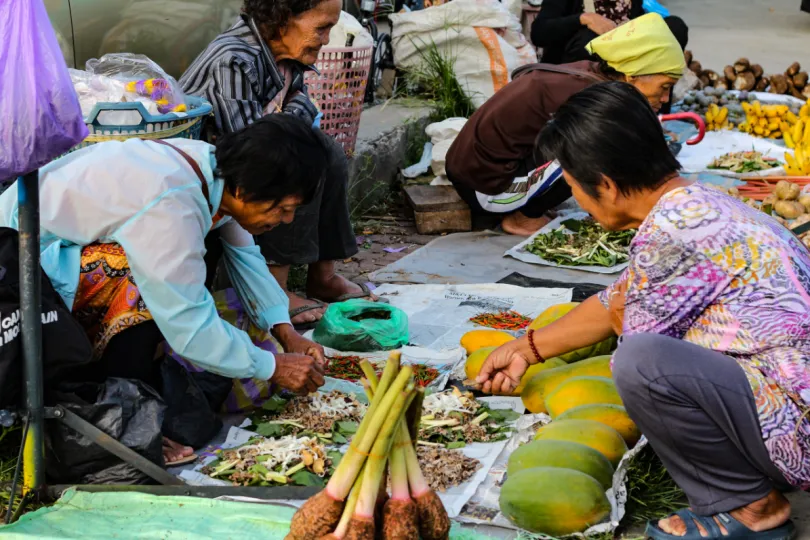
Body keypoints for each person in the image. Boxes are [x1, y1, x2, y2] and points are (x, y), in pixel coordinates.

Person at [477, 81, 808, 539]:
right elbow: (618, 296)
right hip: (793, 399)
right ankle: (750, 475)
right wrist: (527, 349)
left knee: (641, 365)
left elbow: (636, 343)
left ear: (606, 186)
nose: (579, 203)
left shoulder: (672, 233)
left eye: (575, 188)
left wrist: (628, 331)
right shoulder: (700, 204)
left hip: (798, 426)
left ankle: (752, 510)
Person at [0, 115, 330, 465]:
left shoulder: (213, 170)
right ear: (246, 191)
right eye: (282, 208)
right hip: (15, 280)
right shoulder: (170, 201)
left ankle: (142, 382)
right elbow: (188, 325)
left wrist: (285, 330)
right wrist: (272, 366)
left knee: (185, 261)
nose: (287, 219)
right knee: (142, 279)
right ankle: (122, 413)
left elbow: (244, 253)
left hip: (46, 256)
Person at [181, 0, 374, 328]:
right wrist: (288, 126)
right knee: (292, 167)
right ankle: (276, 287)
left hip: (259, 142)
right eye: (322, 28)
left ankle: (322, 275)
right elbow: (251, 147)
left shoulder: (286, 55)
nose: (327, 39)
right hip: (222, 162)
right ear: (283, 20)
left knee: (328, 154)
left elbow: (299, 101)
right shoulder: (234, 59)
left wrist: (289, 122)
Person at [446, 13, 684, 236]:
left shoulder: (592, 75)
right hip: (485, 188)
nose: (665, 99)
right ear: (633, 75)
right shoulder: (594, 97)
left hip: (478, 172)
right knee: (599, 150)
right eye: (664, 86)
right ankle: (522, 217)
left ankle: (529, 203)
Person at [530, 0, 688, 66]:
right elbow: (539, 33)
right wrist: (583, 18)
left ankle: (654, 112)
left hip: (625, 61)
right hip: (580, 70)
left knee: (673, 28)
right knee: (590, 40)